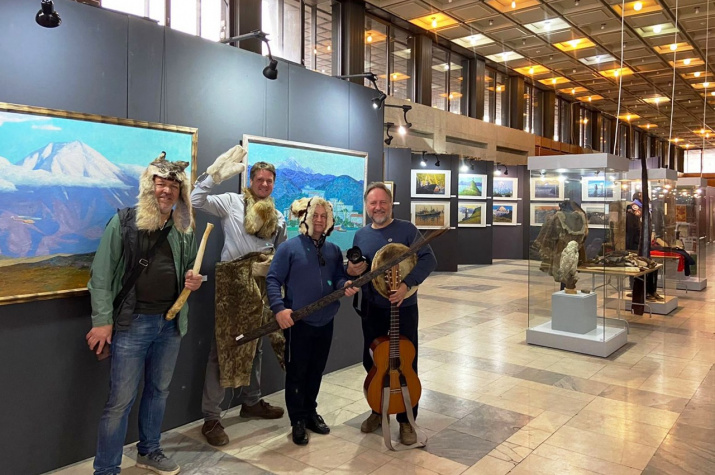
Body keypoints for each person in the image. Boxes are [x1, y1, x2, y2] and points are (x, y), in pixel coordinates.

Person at [86, 153, 202, 475]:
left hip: (170, 324)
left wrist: (194, 280)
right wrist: (102, 321)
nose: (166, 191)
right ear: (149, 187)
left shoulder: (183, 228)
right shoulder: (124, 222)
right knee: (120, 401)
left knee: (158, 392)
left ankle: (149, 450)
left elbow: (190, 269)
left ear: (180, 192)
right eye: (160, 183)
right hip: (131, 323)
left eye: (173, 186)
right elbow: (100, 275)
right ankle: (106, 469)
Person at [191, 145, 287, 447]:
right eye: (260, 179)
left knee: (256, 344)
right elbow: (195, 200)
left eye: (269, 181)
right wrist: (214, 175)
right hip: (233, 285)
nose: (264, 184)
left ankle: (251, 401)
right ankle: (211, 417)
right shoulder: (231, 202)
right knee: (225, 347)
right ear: (250, 181)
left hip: (260, 284)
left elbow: (278, 250)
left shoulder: (277, 215)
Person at [346, 182, 436, 445]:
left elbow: (429, 259)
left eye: (382, 202)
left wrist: (407, 285)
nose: (378, 207)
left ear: (391, 204)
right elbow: (359, 270)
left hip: (403, 309)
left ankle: (406, 419)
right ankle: (379, 410)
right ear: (367, 206)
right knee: (373, 361)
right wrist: (351, 272)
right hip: (372, 308)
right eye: (373, 203)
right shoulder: (361, 235)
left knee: (405, 362)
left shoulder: (407, 230)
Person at [266, 197, 359, 445]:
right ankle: (297, 419)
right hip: (298, 323)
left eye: (323, 216)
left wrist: (345, 284)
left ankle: (309, 412)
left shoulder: (333, 250)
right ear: (306, 218)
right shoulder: (289, 248)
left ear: (329, 220)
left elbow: (337, 277)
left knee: (316, 370)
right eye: (315, 215)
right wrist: (279, 309)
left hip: (325, 320)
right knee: (297, 372)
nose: (319, 220)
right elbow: (273, 279)